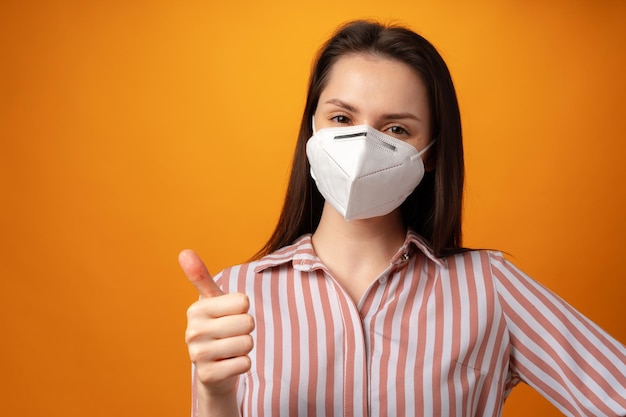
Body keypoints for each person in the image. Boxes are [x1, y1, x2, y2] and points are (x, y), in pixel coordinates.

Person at [180, 20, 626, 417]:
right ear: (311, 132)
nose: (362, 144)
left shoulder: (490, 288)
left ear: (430, 155)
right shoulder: (233, 296)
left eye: (396, 129)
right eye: (341, 117)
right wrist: (213, 393)